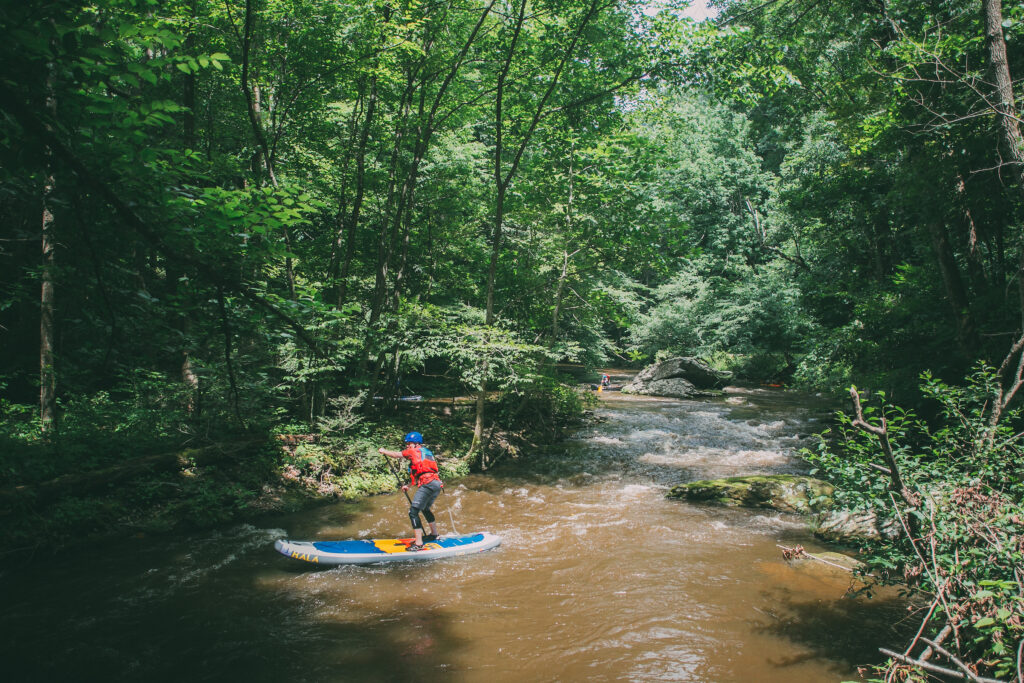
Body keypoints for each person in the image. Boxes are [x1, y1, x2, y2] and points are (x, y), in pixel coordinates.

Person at [378, 431, 443, 551]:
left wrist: (384, 451)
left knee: (413, 512)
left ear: (417, 444)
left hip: (428, 484)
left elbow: (396, 454)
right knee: (424, 508)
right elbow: (420, 474)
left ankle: (418, 544)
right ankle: (434, 534)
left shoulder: (414, 451)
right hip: (436, 484)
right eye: (407, 444)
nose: (407, 446)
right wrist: (408, 485)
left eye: (409, 443)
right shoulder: (426, 453)